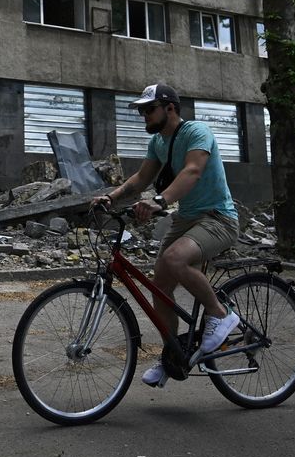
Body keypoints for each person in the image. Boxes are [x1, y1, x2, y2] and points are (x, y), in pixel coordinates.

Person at [93, 83, 241, 387]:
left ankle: (220, 314)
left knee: (175, 259)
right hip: (186, 219)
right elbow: (141, 178)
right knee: (160, 285)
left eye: (149, 110)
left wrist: (160, 201)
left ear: (169, 108)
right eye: (142, 111)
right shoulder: (159, 143)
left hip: (218, 218)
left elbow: (192, 171)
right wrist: (112, 197)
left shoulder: (197, 132)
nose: (144, 116)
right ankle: (173, 354)